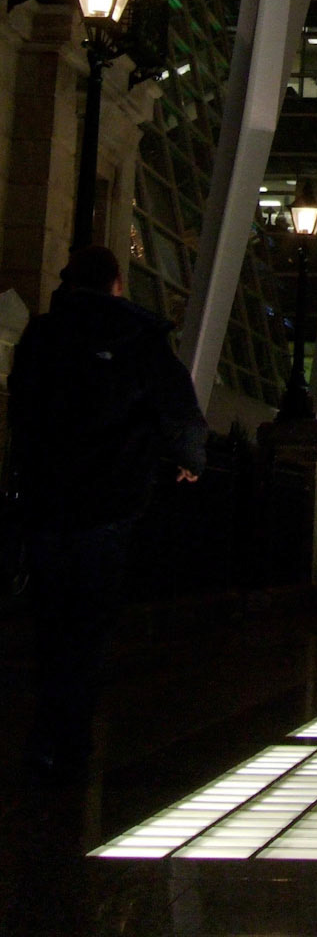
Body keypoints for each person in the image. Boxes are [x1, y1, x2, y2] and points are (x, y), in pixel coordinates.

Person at [7, 244, 207, 781]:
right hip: (111, 497)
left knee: (51, 620)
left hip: (49, 498)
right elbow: (180, 412)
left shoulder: (42, 335)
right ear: (117, 284)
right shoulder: (139, 338)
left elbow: (21, 409)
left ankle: (46, 735)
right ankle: (72, 736)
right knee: (90, 621)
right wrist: (188, 459)